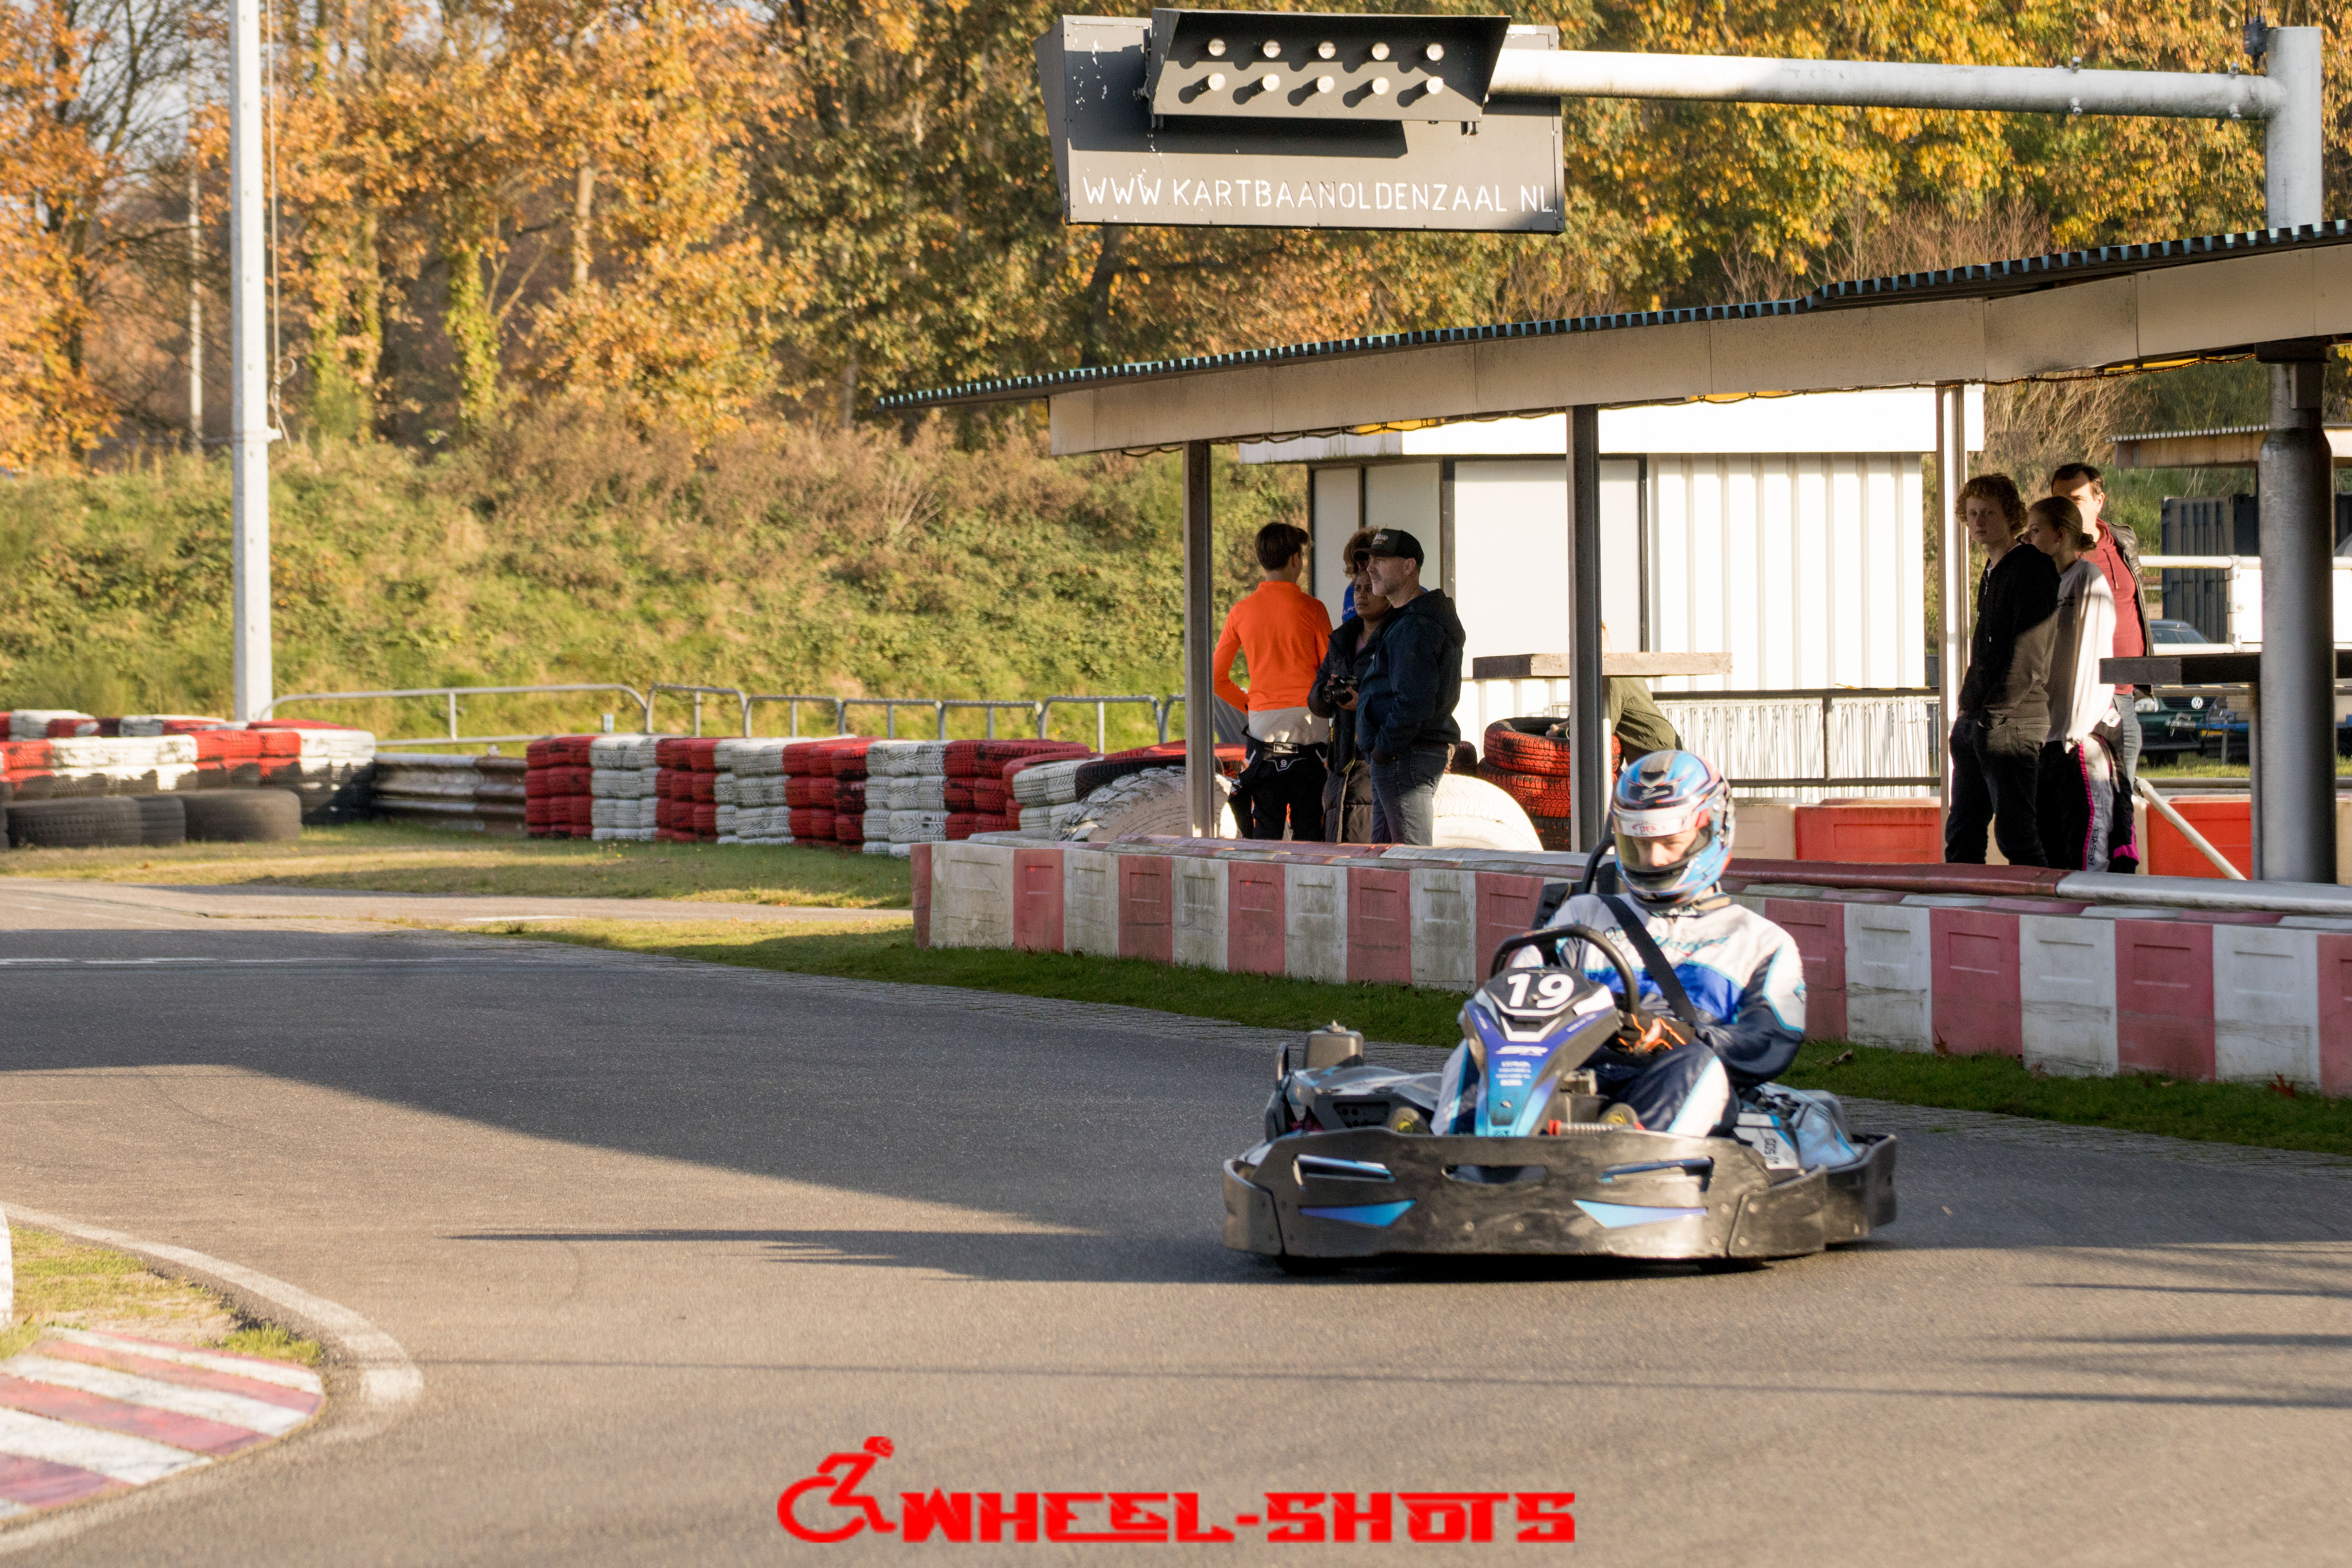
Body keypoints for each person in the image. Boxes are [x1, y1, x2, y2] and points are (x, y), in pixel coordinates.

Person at [1463, 749, 1805, 1136]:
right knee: (1475, 1050)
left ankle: (1624, 1156)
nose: (1653, 859)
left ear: (1714, 831)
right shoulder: (1584, 915)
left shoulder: (1761, 941)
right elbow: (1509, 999)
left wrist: (1669, 1034)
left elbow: (1765, 1044)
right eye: (1639, 845)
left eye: (1670, 842)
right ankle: (1454, 1147)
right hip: (1571, 1077)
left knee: (1698, 1067)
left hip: (1672, 1080)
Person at [1945, 473, 2058, 867]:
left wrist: (1990, 716)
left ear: (2011, 515)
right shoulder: (1993, 571)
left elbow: (2028, 655)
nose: (1979, 522)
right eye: (1973, 513)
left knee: (2016, 835)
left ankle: (2037, 902)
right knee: (1962, 832)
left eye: (1989, 513)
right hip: (1981, 718)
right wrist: (1968, 709)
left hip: (2012, 721)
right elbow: (1985, 649)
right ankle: (1961, 900)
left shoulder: (2031, 568)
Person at [2026, 495, 2138, 874]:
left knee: (2087, 841)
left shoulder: (2087, 579)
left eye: (2036, 531)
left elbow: (2092, 654)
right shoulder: (2041, 584)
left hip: (2080, 734)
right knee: (2050, 843)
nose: (2029, 539)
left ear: (2060, 535)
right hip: (2048, 734)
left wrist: (2079, 726)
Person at [2051, 462, 2148, 857]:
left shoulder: (2122, 542)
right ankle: (2087, 871)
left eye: (2076, 499)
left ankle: (2119, 869)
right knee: (2086, 800)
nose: (2067, 507)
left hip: (2125, 692)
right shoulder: (2055, 550)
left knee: (2122, 793)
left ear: (2099, 500)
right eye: (2059, 500)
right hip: (2082, 695)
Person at [1214, 521, 1333, 840]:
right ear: (1295, 559)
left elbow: (1217, 679)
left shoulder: (1241, 611)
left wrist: (1252, 704)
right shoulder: (1314, 609)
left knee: (1266, 821)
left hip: (1263, 724)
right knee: (1309, 819)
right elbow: (1330, 669)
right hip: (1309, 720)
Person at [1354, 528, 1466, 845]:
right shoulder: (1408, 620)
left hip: (1405, 757)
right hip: (1401, 757)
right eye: (1370, 561)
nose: (1370, 568)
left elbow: (1414, 702)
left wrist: (1384, 750)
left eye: (1381, 560)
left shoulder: (1416, 625)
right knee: (1388, 859)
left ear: (1409, 566)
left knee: (1412, 859)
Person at [1306, 529, 1390, 843]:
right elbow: (1315, 699)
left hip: (1376, 761)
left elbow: (1406, 701)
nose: (1361, 594)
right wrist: (1328, 694)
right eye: (1357, 588)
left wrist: (1362, 702)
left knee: (1368, 855)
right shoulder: (1341, 640)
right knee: (1336, 852)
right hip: (1341, 763)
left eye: (1370, 588)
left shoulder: (1397, 639)